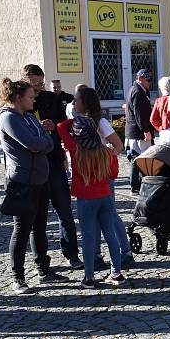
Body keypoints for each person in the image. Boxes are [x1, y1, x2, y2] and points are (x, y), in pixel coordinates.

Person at [0, 78, 58, 293]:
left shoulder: (30, 117)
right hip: (22, 182)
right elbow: (33, 144)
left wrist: (43, 140)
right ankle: (18, 277)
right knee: (22, 230)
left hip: (41, 180)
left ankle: (43, 269)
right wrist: (43, 141)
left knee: (39, 227)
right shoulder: (8, 118)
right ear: (17, 98)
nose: (34, 100)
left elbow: (46, 142)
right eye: (31, 97)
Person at [58, 112, 125, 288]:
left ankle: (89, 277)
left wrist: (76, 120)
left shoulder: (75, 148)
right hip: (105, 196)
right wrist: (88, 122)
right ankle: (116, 273)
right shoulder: (106, 151)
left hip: (86, 199)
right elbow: (114, 174)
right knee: (110, 234)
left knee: (88, 238)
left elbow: (60, 127)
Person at [25, 64, 82, 270]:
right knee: (36, 220)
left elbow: (66, 127)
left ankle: (72, 254)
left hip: (54, 162)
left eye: (40, 84)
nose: (38, 88)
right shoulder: (20, 103)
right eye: (34, 85)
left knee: (65, 212)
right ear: (25, 82)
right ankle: (41, 264)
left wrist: (54, 128)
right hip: (33, 168)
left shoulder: (52, 99)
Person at [73, 86, 133, 271]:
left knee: (111, 215)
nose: (74, 102)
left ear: (85, 103)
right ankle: (97, 255)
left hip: (102, 175)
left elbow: (118, 145)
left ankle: (126, 252)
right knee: (96, 218)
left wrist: (103, 159)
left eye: (77, 99)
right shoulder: (77, 122)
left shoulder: (100, 123)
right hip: (88, 176)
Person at [124, 69, 154, 194]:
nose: (149, 83)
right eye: (148, 80)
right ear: (140, 78)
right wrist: (146, 131)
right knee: (138, 159)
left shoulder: (139, 90)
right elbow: (139, 114)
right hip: (138, 132)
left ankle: (137, 185)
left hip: (135, 131)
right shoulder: (137, 91)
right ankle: (136, 186)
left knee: (136, 159)